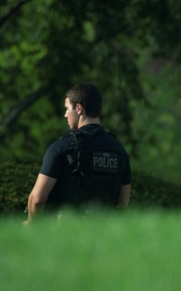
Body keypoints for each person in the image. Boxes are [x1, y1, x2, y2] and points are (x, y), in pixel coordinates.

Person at [24, 83, 131, 223]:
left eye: (67, 108)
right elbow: (123, 202)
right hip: (104, 232)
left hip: (66, 230)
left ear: (79, 108)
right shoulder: (119, 150)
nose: (65, 114)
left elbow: (37, 199)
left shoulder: (63, 147)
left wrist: (31, 224)